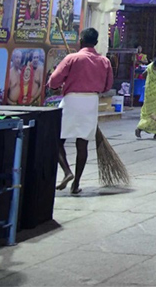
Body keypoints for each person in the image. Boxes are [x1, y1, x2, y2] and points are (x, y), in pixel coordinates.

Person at [47, 28, 113, 194]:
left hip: (71, 101)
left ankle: (67, 171)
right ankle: (76, 184)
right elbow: (107, 86)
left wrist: (59, 85)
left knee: (56, 140)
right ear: (96, 43)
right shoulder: (104, 61)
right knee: (82, 144)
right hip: (91, 102)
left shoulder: (72, 58)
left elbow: (53, 81)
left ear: (81, 41)